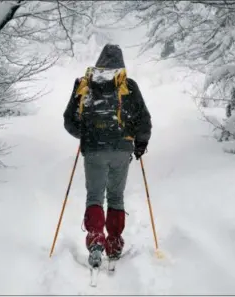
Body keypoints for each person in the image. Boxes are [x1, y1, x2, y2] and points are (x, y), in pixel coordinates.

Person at [63, 44, 152, 267]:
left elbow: (69, 120)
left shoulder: (85, 85)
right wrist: (140, 144)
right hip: (122, 149)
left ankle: (95, 241)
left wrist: (85, 135)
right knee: (115, 196)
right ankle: (113, 243)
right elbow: (143, 119)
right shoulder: (128, 85)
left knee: (94, 196)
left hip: (94, 150)